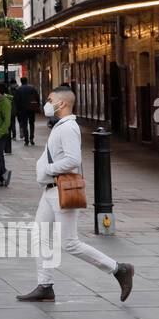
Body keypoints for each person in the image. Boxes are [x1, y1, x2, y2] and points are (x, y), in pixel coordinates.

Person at [16, 86, 136, 303]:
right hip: (50, 191)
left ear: (61, 104)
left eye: (50, 99)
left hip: (62, 190)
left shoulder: (69, 127)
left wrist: (48, 170)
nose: (46, 103)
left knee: (70, 243)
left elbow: (73, 160)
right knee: (40, 236)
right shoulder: (60, 126)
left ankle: (119, 269)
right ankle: (45, 286)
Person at [14, 75, 41, 146]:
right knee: (32, 124)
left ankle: (26, 140)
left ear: (21, 81)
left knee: (24, 125)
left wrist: (17, 110)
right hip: (31, 108)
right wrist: (37, 106)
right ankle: (31, 138)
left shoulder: (18, 89)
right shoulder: (32, 88)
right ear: (27, 81)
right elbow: (37, 97)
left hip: (22, 110)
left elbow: (16, 100)